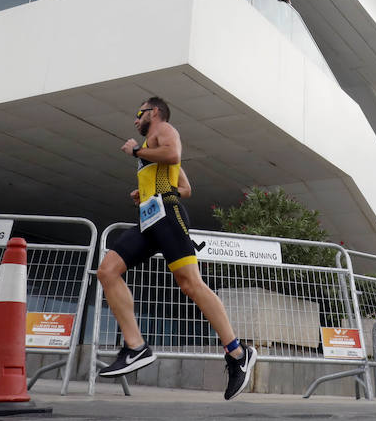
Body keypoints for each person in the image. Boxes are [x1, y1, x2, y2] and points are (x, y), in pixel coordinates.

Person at [95, 96, 257, 400]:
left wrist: (136, 151)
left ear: (154, 112)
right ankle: (135, 347)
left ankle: (238, 353)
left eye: (138, 112)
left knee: (190, 284)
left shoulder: (164, 130)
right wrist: (142, 189)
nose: (135, 119)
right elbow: (185, 186)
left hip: (168, 215)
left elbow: (172, 154)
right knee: (107, 271)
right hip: (149, 218)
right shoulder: (151, 148)